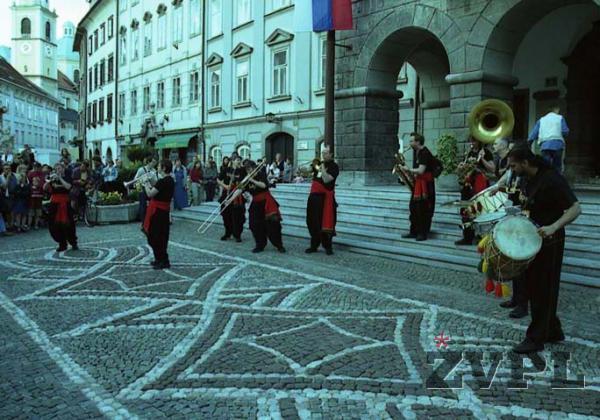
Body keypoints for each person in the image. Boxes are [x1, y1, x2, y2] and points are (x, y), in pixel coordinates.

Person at [507, 147, 581, 354]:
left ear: (525, 162)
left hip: (550, 240)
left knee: (543, 287)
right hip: (533, 239)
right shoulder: (527, 179)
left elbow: (576, 208)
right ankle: (553, 329)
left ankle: (535, 338)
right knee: (535, 286)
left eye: (513, 165)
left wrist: (553, 227)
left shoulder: (552, 179)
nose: (511, 170)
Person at [489, 139, 529, 319]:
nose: (511, 165)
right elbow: (502, 181)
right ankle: (516, 298)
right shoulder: (512, 172)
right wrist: (496, 187)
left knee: (523, 266)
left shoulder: (527, 175)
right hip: (513, 218)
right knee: (513, 261)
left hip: (525, 223)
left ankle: (523, 304)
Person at [455, 136, 495, 245]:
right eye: (470, 141)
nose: (471, 143)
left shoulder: (486, 152)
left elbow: (492, 168)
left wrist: (482, 159)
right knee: (465, 210)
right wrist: (462, 166)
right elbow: (466, 168)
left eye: (473, 141)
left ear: (479, 141)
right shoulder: (469, 152)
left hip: (479, 184)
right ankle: (467, 237)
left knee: (479, 210)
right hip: (468, 184)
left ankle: (480, 236)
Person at [401, 133, 436, 242]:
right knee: (413, 208)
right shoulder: (418, 152)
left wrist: (407, 169)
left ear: (418, 142)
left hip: (425, 185)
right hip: (419, 184)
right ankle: (414, 231)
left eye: (411, 141)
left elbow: (421, 170)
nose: (410, 143)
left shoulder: (424, 153)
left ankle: (422, 233)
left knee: (422, 209)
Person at [244, 159, 285, 253]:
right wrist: (230, 199)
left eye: (250, 169)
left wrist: (252, 180)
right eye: (247, 170)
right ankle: (260, 244)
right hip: (255, 204)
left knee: (273, 225)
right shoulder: (246, 179)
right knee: (254, 225)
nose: (249, 171)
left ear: (254, 168)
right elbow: (241, 190)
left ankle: (279, 244)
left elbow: (264, 186)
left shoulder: (261, 174)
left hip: (266, 202)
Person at [305, 146, 339, 255]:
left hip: (325, 199)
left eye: (325, 153)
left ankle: (327, 246)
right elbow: (310, 173)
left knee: (325, 222)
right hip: (314, 197)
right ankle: (314, 245)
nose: (323, 155)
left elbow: (326, 179)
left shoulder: (334, 166)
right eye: (322, 153)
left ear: (331, 154)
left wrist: (322, 167)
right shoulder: (318, 164)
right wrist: (307, 169)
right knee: (312, 221)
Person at [142, 160, 175, 270]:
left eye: (159, 166)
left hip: (157, 212)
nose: (158, 168)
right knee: (162, 236)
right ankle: (161, 259)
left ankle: (161, 260)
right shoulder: (170, 180)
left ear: (164, 168)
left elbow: (150, 193)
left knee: (155, 236)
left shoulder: (164, 181)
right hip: (164, 212)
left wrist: (146, 183)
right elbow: (158, 189)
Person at [44, 162, 78, 252]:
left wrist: (60, 178)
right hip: (54, 203)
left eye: (60, 168)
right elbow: (44, 188)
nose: (58, 170)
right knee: (54, 225)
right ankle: (62, 243)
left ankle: (73, 242)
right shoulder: (52, 177)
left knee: (69, 224)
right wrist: (49, 181)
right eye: (56, 168)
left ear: (63, 169)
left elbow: (68, 187)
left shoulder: (67, 177)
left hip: (65, 203)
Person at [528, 105, 569, 173]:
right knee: (557, 166)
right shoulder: (560, 118)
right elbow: (565, 131)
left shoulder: (541, 120)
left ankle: (546, 180)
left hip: (545, 146)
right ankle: (557, 181)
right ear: (556, 110)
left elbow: (533, 134)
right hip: (557, 145)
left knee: (545, 166)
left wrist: (529, 144)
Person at [134, 157, 158, 223]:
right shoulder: (141, 170)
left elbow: (156, 181)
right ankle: (143, 221)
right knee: (143, 205)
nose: (154, 164)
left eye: (155, 162)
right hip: (143, 189)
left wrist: (151, 180)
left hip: (151, 189)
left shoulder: (154, 170)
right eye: (152, 162)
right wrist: (140, 189)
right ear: (148, 162)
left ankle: (151, 219)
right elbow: (135, 180)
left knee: (152, 204)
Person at [217, 157, 235, 240]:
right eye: (235, 160)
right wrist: (225, 186)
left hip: (236, 194)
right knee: (225, 214)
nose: (237, 162)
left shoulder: (241, 171)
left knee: (235, 215)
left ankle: (236, 234)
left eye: (238, 160)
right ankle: (227, 232)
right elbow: (218, 180)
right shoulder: (226, 170)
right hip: (226, 193)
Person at [12, 164, 31, 232]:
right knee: (19, 213)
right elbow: (15, 189)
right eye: (23, 169)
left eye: (25, 169)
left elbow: (28, 187)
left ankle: (23, 225)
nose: (25, 170)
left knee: (24, 213)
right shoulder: (16, 176)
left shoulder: (27, 178)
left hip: (26, 199)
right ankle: (18, 226)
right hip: (18, 199)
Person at [0, 164, 17, 231]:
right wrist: (7, 178)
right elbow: (4, 187)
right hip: (4, 197)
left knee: (13, 212)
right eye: (6, 169)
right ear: (3, 169)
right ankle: (8, 226)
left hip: (13, 196)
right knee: (7, 212)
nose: (8, 170)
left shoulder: (14, 176)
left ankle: (12, 225)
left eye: (9, 168)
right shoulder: (1, 177)